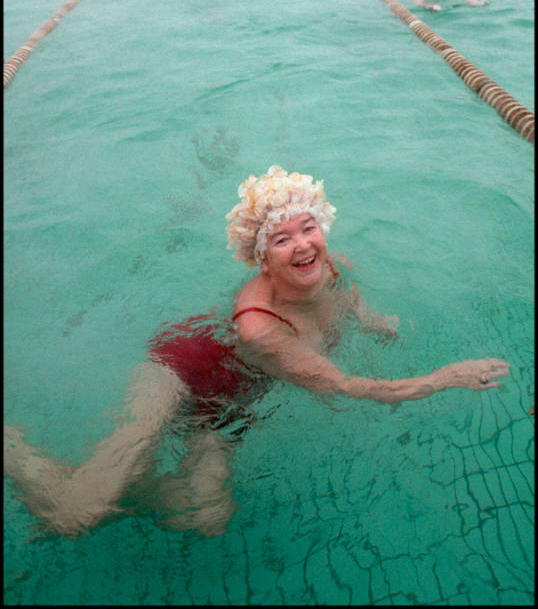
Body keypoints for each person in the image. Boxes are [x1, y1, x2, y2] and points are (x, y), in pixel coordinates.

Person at [4, 165, 510, 538]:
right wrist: (445, 376)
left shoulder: (332, 266)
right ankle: (13, 447)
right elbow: (351, 388)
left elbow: (347, 296)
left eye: (308, 228)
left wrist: (377, 324)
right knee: (78, 514)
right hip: (181, 373)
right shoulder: (260, 329)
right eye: (282, 239)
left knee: (206, 518)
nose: (303, 245)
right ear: (262, 257)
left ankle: (123, 481)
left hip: (232, 406)